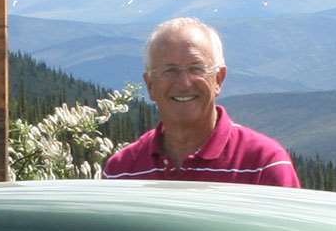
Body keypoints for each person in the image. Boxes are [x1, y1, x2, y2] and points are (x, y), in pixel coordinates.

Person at [102, 18, 300, 186]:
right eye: (170, 70)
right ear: (150, 85)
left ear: (219, 79)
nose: (184, 83)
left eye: (196, 69)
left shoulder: (263, 164)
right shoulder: (122, 170)